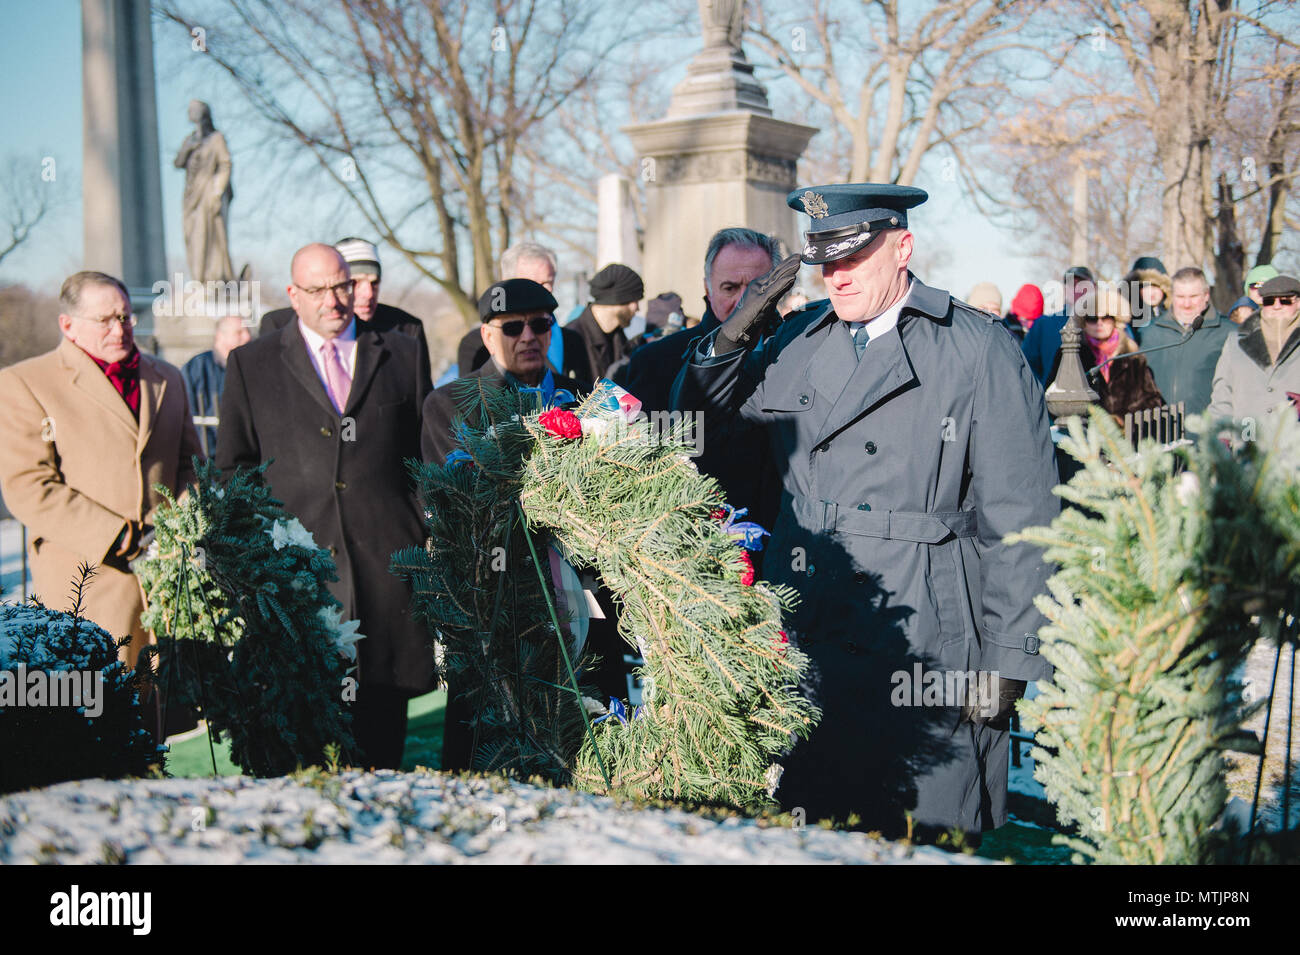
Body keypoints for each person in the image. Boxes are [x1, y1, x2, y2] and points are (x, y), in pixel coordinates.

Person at [671, 183, 1058, 839]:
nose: (838, 276)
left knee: (921, 833)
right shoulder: (799, 338)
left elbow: (1022, 519)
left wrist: (1011, 660)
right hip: (811, 635)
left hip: (929, 641)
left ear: (903, 248)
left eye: (854, 257)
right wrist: (735, 331)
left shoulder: (976, 348)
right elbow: (703, 425)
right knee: (816, 833)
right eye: (827, 261)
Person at [216, 243, 432, 769]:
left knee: (382, 740)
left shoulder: (400, 352)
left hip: (387, 574)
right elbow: (233, 470)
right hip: (298, 581)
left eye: (343, 286)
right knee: (306, 744)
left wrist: (422, 533)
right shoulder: (252, 364)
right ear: (293, 294)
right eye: (319, 289)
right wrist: (256, 562)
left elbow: (422, 457)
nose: (336, 300)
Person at [422, 279, 608, 770]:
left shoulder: (580, 402)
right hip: (493, 604)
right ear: (487, 335)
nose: (528, 336)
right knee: (485, 753)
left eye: (541, 324)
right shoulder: (450, 404)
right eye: (513, 327)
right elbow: (461, 500)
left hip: (576, 602)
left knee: (579, 744)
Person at [0, 271, 203, 667]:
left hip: (167, 581)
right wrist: (123, 537)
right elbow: (29, 486)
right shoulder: (25, 383)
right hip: (87, 579)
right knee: (95, 713)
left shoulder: (168, 378)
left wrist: (179, 528)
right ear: (68, 325)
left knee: (158, 714)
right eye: (105, 320)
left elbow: (190, 464)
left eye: (126, 317)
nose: (120, 329)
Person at [612, 227, 781, 413]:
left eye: (757, 289)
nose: (743, 301)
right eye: (729, 288)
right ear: (708, 290)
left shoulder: (798, 349)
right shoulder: (655, 361)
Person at [260, 237, 431, 385]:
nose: (368, 294)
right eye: (356, 283)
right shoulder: (279, 326)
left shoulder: (406, 330)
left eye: (374, 283)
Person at [455, 241, 589, 385]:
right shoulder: (476, 345)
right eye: (532, 284)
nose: (542, 291)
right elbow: (469, 398)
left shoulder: (573, 340)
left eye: (547, 282)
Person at [1046, 285, 1163, 422]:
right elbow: (1053, 399)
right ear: (1084, 322)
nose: (1099, 323)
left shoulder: (1132, 356)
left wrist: (1123, 422)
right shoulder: (1070, 353)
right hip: (1083, 438)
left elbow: (1152, 401)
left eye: (1106, 317)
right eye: (1092, 318)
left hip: (1127, 438)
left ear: (1115, 320)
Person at [1138, 266, 1232, 414]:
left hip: (1206, 430)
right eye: (1180, 297)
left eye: (1193, 296)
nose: (1186, 304)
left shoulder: (1228, 333)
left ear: (1206, 295)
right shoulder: (1148, 334)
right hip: (1158, 429)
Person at [1209, 275, 1300, 424]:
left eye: (1285, 300)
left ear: (1298, 302)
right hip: (1248, 434)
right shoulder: (1236, 343)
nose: (1277, 306)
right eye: (1269, 301)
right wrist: (1221, 438)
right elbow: (1222, 398)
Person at [174, 100, 236, 283]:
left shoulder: (216, 138)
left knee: (209, 238)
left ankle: (213, 278)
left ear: (203, 113)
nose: (189, 112)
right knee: (191, 237)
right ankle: (198, 279)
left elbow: (225, 164)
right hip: (191, 195)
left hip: (208, 194)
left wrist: (217, 192)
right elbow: (177, 162)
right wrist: (188, 148)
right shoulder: (190, 139)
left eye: (193, 109)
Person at [181, 314, 251, 456]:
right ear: (220, 336)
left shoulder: (253, 367)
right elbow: (188, 416)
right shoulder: (197, 368)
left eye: (248, 332)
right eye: (239, 333)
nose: (247, 337)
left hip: (245, 457)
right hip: (206, 457)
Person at [568, 264, 644, 383]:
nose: (637, 308)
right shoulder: (574, 339)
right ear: (619, 299)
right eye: (635, 300)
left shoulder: (619, 337)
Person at [1022, 266, 1096, 387]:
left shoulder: (1105, 323)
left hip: (1096, 400)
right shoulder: (1044, 324)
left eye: (1082, 284)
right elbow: (1028, 366)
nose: (1076, 289)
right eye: (1071, 284)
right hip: (1052, 399)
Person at [1123, 255, 1170, 332]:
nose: (1151, 292)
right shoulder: (1126, 319)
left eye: (1156, 286)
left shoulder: (1174, 316)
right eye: (1146, 286)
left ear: (1165, 290)